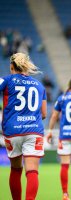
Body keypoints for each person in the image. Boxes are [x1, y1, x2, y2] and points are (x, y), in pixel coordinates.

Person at [1, 52, 47, 200]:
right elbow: (44, 113)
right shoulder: (39, 85)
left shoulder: (7, 80)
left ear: (11, 66)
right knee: (32, 171)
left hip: (12, 130)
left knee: (15, 170)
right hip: (34, 130)